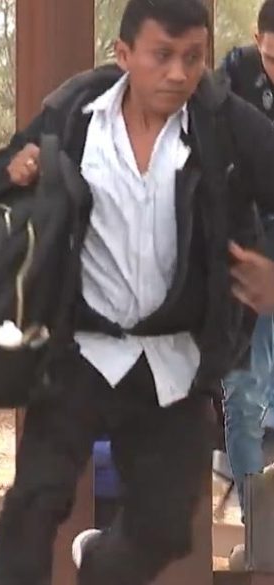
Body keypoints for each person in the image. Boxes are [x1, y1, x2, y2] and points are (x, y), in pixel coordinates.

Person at [0, 0, 274, 583]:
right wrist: (13, 172)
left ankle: (99, 565)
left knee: (165, 528)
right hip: (79, 347)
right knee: (34, 503)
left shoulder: (225, 126)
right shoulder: (73, 116)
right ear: (125, 54)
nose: (179, 73)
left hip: (173, 358)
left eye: (194, 58)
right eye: (163, 56)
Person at [218, 0, 274, 521]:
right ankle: (258, 529)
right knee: (243, 389)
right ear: (259, 43)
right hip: (249, 243)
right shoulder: (235, 74)